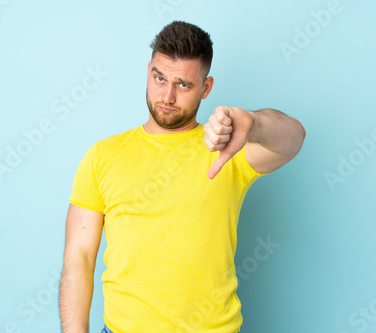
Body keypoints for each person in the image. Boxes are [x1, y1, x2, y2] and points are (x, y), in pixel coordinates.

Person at [59, 20, 306, 333]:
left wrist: (254, 124)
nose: (167, 95)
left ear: (206, 88)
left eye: (184, 85)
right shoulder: (102, 156)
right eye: (159, 78)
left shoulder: (227, 147)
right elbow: (78, 256)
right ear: (148, 70)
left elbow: (294, 137)